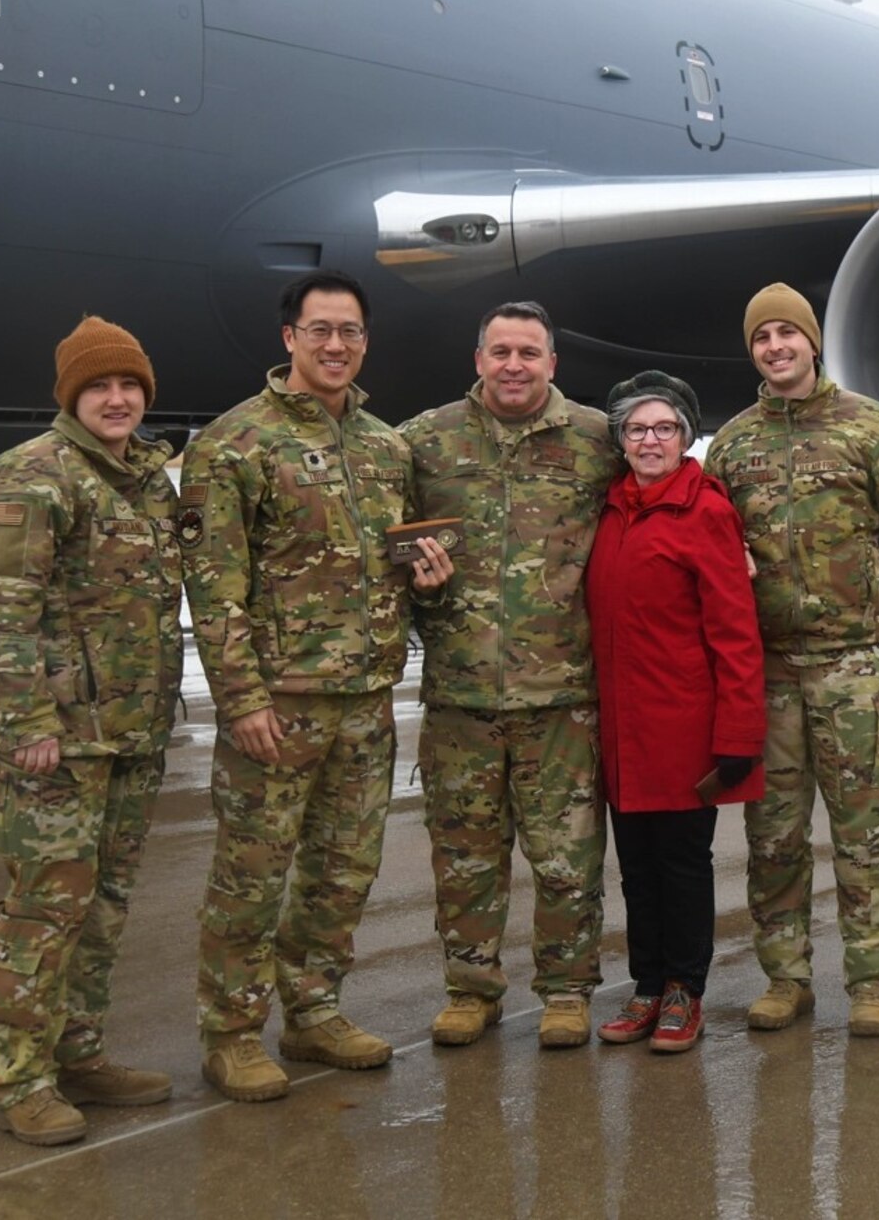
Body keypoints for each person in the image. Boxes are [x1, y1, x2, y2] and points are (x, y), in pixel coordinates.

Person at [180, 269, 452, 1101]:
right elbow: (214, 585)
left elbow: (397, 562)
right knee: (251, 875)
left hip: (367, 699)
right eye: (320, 330)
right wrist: (242, 699)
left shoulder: (383, 446)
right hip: (279, 704)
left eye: (351, 331)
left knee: (343, 871)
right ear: (288, 337)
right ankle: (230, 1032)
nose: (337, 346)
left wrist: (430, 578)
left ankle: (312, 1009)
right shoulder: (234, 444)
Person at [705, 283, 879, 1037]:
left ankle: (872, 979)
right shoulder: (731, 445)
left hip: (858, 665)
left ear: (811, 341)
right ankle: (786, 975)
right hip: (768, 673)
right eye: (762, 337)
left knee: (866, 834)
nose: (777, 347)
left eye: (788, 333)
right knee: (773, 835)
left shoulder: (874, 429)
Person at [0, 318, 183, 1145]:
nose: (118, 399)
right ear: (72, 397)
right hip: (56, 740)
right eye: (100, 387)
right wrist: (26, 720)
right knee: (42, 912)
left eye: (130, 386)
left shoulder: (145, 480)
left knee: (104, 907)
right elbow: (1, 605)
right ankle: (19, 1076)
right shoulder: (31, 474)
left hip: (130, 733)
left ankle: (79, 1053)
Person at [400, 301, 620, 1052]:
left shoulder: (596, 439)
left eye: (530, 351)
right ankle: (470, 988)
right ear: (478, 358)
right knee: (464, 855)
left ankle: (565, 989)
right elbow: (385, 549)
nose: (515, 365)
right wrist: (416, 584)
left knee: (567, 857)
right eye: (501, 351)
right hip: (460, 693)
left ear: (553, 363)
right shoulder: (426, 442)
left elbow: (651, 509)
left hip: (562, 694)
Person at [586, 371, 766, 1053]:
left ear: (686, 436)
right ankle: (645, 984)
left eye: (664, 428)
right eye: (637, 429)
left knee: (683, 864)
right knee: (635, 866)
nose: (651, 439)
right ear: (621, 440)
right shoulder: (608, 509)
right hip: (623, 728)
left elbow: (735, 630)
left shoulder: (707, 511)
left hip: (683, 727)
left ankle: (684, 990)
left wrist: (739, 733)